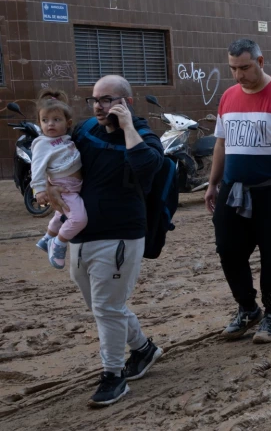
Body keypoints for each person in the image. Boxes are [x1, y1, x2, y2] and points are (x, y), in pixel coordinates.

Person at [39, 75, 164, 406]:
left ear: (126, 102)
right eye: (95, 99)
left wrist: (127, 128)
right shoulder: (84, 130)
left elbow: (148, 167)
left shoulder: (145, 137)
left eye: (107, 99)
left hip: (121, 235)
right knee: (100, 305)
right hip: (81, 232)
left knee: (107, 306)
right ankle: (143, 349)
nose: (98, 105)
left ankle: (113, 376)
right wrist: (47, 186)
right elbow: (55, 156)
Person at [206, 39, 271, 344]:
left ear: (261, 62)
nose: (239, 75)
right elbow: (221, 144)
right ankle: (248, 308)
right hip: (233, 190)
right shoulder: (227, 97)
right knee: (227, 249)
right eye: (233, 68)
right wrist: (213, 183)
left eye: (245, 67)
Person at [31, 91, 87, 269]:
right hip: (64, 188)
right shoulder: (42, 143)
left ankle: (47, 238)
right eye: (45, 120)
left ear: (68, 123)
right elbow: (37, 167)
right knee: (78, 219)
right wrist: (39, 189)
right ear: (39, 123)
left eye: (56, 119)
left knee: (61, 214)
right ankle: (58, 243)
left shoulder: (66, 139)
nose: (50, 124)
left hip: (73, 186)